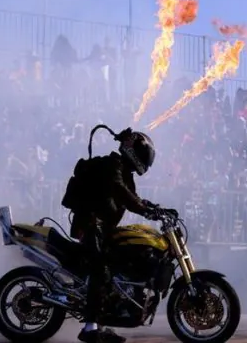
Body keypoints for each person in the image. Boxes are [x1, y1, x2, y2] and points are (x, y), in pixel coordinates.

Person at [60, 126, 158, 343]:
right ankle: (90, 328)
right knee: (101, 270)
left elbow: (133, 197)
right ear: (135, 152)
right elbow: (120, 190)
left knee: (115, 269)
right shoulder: (112, 164)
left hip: (103, 228)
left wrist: (155, 209)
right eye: (144, 155)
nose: (146, 161)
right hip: (90, 224)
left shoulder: (125, 172)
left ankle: (103, 321)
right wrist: (142, 209)